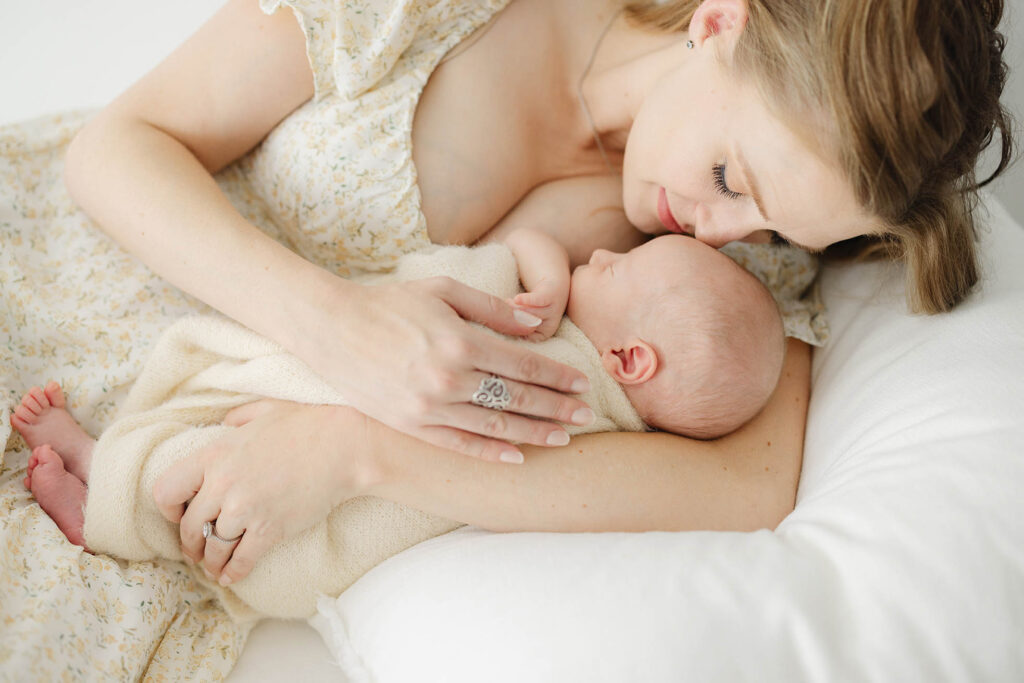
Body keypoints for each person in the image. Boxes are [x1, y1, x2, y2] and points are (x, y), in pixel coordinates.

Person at [59, 0, 1014, 589]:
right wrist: (337, 325)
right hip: (71, 283)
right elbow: (114, 149)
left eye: (771, 229)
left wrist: (355, 453)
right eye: (730, 178)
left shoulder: (714, 284)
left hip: (191, 470)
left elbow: (746, 483)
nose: (725, 236)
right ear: (719, 22)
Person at [11, 230, 784, 618]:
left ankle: (105, 497)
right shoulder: (560, 307)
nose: (605, 251)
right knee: (239, 431)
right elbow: (527, 243)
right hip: (355, 403)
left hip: (363, 478)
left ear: (630, 360)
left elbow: (482, 437)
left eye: (620, 267)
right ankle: (108, 464)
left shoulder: (573, 404)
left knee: (215, 458)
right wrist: (549, 274)